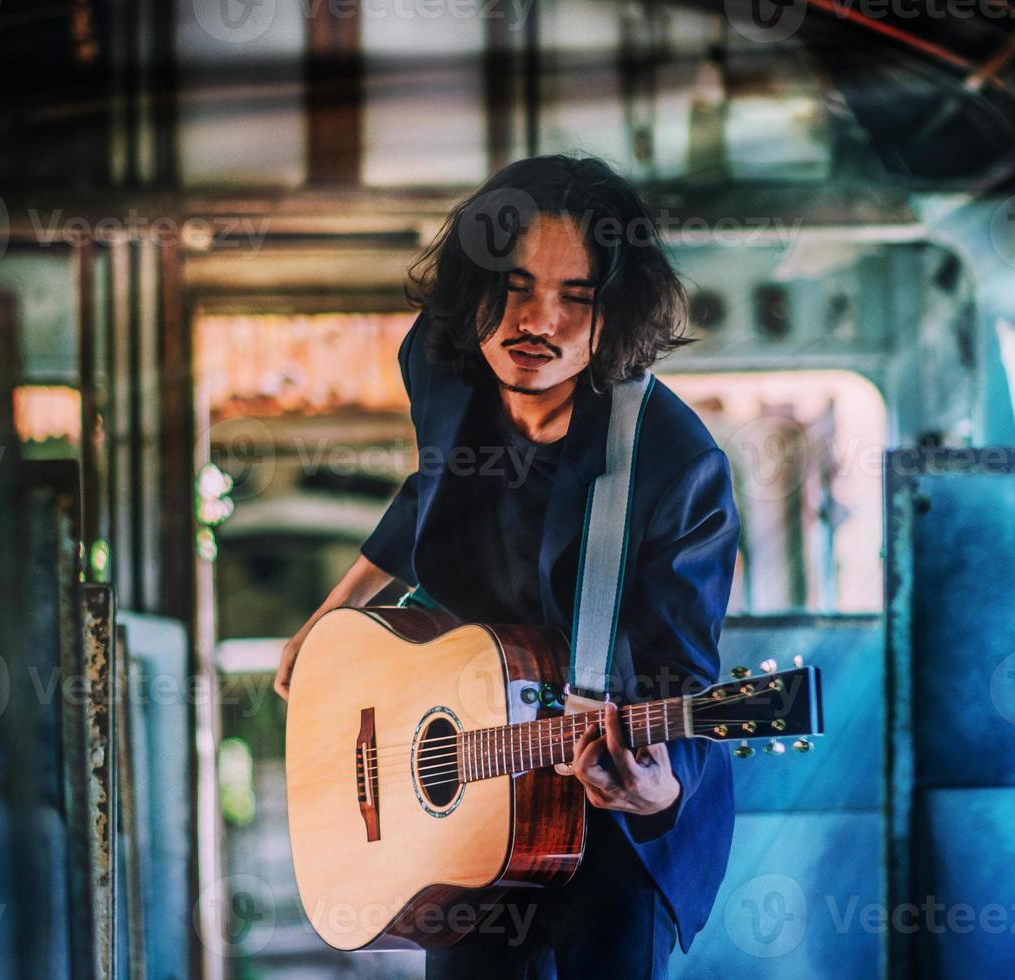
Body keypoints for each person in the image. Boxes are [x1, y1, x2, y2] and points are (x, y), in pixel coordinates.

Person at [274, 154, 740, 979]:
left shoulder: (676, 465)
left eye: (577, 297)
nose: (538, 322)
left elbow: (681, 675)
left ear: (614, 316)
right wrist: (334, 611)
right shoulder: (443, 364)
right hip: (467, 788)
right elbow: (431, 483)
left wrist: (659, 793)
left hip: (608, 811)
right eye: (515, 286)